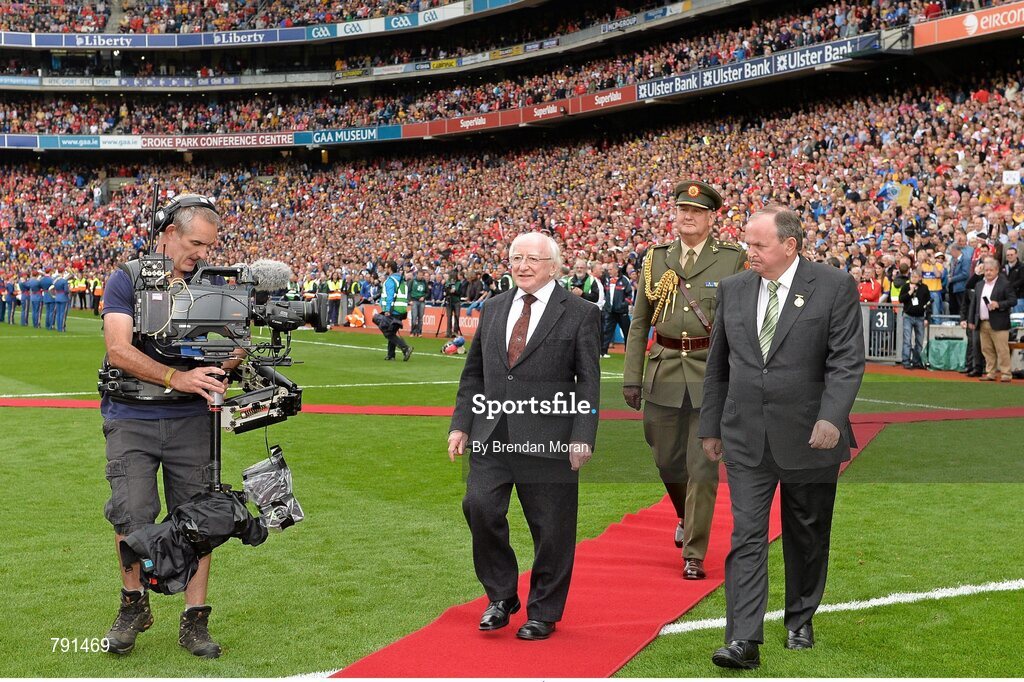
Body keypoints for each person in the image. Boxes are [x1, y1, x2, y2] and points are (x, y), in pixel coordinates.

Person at [699, 206, 864, 670]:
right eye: (748, 243)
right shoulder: (732, 290)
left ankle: (800, 618)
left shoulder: (833, 286)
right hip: (746, 436)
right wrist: (710, 426)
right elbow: (719, 366)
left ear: (789, 246)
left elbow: (846, 361)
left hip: (812, 436)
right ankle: (743, 639)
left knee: (807, 533)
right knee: (746, 534)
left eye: (758, 245)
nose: (749, 252)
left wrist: (832, 418)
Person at [448, 232, 600, 641]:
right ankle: (501, 595)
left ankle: (544, 611)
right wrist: (461, 424)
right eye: (516, 257)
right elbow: (474, 373)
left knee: (552, 528)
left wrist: (583, 434)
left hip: (550, 437)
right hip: (492, 432)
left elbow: (588, 382)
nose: (523, 265)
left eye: (533, 258)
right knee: (478, 506)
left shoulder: (581, 312)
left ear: (554, 265)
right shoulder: (495, 307)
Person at [99, 194, 231, 658]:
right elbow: (118, 349)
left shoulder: (215, 284)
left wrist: (226, 359)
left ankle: (195, 620)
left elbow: (234, 346)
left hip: (191, 418)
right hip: (131, 415)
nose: (202, 253)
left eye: (209, 246)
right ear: (168, 232)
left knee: (199, 519)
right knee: (130, 514)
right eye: (196, 242)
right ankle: (134, 604)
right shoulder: (127, 279)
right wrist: (178, 375)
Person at [623, 180, 746, 580]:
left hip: (711, 371)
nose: (687, 216)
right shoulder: (656, 259)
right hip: (663, 370)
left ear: (712, 217)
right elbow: (640, 322)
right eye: (681, 209)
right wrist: (631, 378)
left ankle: (693, 552)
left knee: (704, 467)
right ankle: (682, 513)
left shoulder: (732, 259)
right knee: (666, 459)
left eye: (695, 211)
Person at [962, 257, 1017, 382]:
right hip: (982, 322)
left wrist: (999, 304)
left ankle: (1006, 373)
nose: (988, 273)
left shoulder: (1004, 284)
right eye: (986, 270)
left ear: (997, 270)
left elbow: (1013, 300)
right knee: (986, 350)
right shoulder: (979, 284)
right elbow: (974, 304)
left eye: (991, 270)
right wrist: (971, 320)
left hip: (999, 322)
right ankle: (990, 372)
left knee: (1002, 349)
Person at [379, 261, 413, 361]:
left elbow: (390, 296)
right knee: (392, 331)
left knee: (388, 332)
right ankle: (391, 355)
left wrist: (387, 309)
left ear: (389, 268)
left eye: (386, 267)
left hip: (394, 309)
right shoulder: (402, 281)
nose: (385, 269)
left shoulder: (390, 280)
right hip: (401, 309)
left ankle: (405, 348)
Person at [601, 264, 633, 358]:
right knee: (607, 331)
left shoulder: (624, 280)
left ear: (616, 270)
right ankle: (603, 352)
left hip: (622, 312)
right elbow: (604, 293)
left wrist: (622, 305)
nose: (609, 271)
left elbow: (630, 295)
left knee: (627, 331)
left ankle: (629, 352)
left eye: (610, 269)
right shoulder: (607, 280)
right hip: (610, 311)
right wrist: (606, 305)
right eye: (608, 269)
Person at [898, 269, 928, 369]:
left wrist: (927, 318)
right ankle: (906, 360)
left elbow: (928, 303)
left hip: (920, 317)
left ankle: (916, 361)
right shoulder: (906, 287)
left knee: (919, 341)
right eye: (912, 277)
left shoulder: (924, 288)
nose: (913, 278)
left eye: (915, 277)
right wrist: (910, 292)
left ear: (920, 278)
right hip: (908, 316)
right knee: (907, 340)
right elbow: (901, 299)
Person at [408, 268, 428, 336]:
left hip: (422, 301)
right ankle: (412, 332)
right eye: (419, 275)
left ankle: (419, 332)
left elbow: (427, 292)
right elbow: (408, 291)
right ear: (417, 275)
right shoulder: (412, 281)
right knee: (414, 317)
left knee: (421, 318)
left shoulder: (424, 282)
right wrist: (409, 300)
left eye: (422, 275)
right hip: (414, 301)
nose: (421, 276)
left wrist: (424, 297)